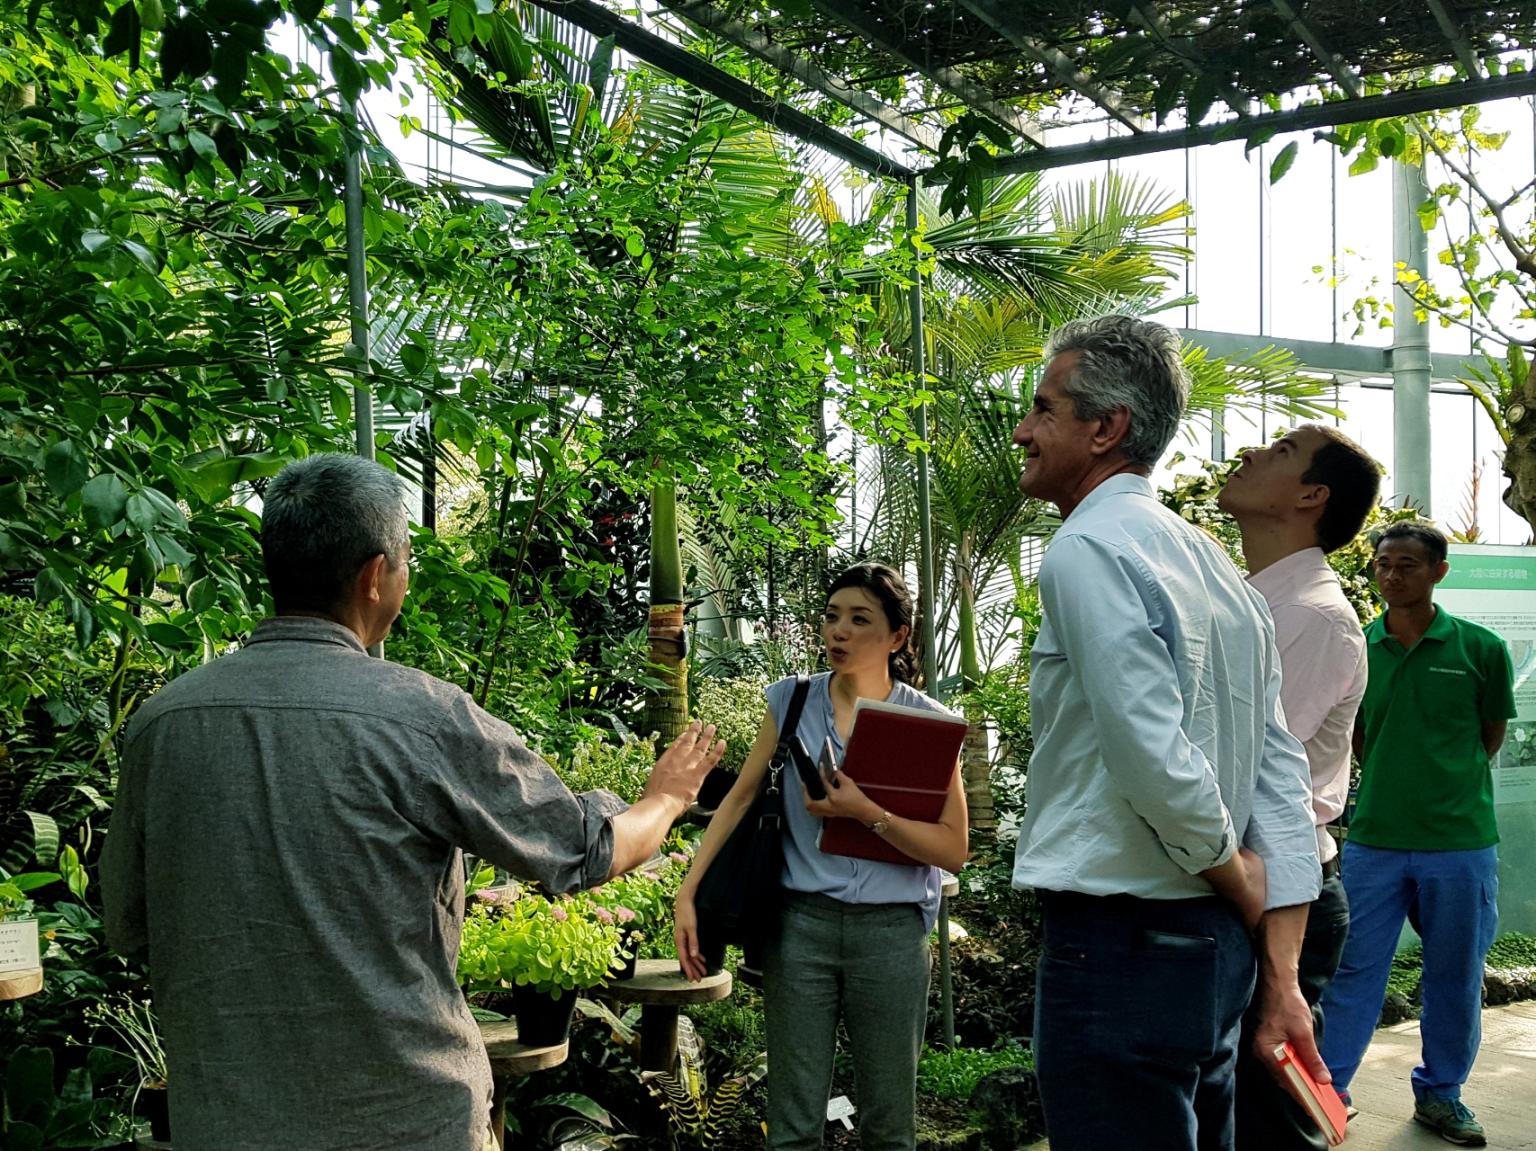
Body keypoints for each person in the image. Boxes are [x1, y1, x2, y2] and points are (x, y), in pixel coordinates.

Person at [101, 452, 726, 1151]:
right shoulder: (421, 717)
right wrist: (666, 799)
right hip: (405, 1117)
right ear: (376, 575)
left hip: (226, 1119)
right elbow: (589, 849)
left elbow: (127, 922)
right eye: (405, 558)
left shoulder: (162, 724)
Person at [1010, 315, 1323, 1151]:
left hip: (1119, 949)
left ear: (1105, 427)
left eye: (1044, 409)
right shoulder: (1216, 563)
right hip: (1212, 957)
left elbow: (1152, 755)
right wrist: (1279, 962)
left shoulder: (1088, 549)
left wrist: (1234, 871)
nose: (1023, 430)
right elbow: (1278, 774)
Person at [673, 563, 968, 1151]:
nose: (840, 632)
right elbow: (737, 800)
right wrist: (687, 892)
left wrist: (867, 813)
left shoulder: (928, 724)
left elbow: (954, 849)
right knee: (793, 1123)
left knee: (889, 1127)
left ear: (898, 637)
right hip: (799, 928)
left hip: (891, 935)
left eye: (860, 620)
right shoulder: (791, 700)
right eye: (833, 617)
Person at [1317, 521, 1515, 1147]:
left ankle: (1440, 1094)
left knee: (1455, 974)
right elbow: (1355, 738)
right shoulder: (1356, 646)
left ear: (1437, 571)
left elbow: (1490, 735)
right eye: (1382, 564)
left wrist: (1444, 786)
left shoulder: (1480, 649)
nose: (1392, 575)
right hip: (1375, 840)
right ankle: (1330, 1096)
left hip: (1460, 845)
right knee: (1353, 971)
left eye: (1407, 564)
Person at [1217, 425, 1382, 1149]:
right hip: (1252, 885)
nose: (1250, 453)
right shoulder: (1254, 599)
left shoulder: (1312, 616)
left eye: (1280, 451)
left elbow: (1248, 769)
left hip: (1287, 895)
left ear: (1312, 496)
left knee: (1270, 1122)